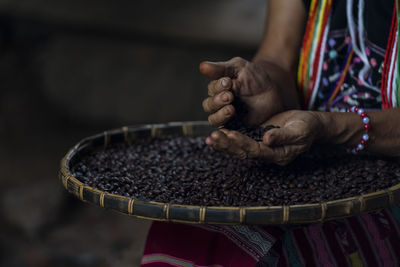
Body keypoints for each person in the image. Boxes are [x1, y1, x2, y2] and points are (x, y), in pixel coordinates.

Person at [141, 0, 400, 266]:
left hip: (392, 177)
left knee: (300, 243)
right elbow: (278, 58)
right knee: (196, 226)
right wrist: (266, 88)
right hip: (312, 155)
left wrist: (331, 127)